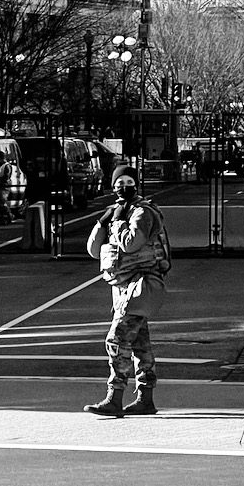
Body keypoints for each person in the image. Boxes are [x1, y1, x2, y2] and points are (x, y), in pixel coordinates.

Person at [84, 165, 172, 418]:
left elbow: (132, 243)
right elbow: (93, 249)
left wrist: (120, 221)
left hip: (141, 284)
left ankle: (115, 397)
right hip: (124, 286)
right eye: (119, 181)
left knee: (117, 339)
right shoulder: (117, 212)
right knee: (139, 344)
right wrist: (104, 221)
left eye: (128, 181)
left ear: (136, 184)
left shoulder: (141, 212)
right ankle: (146, 398)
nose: (123, 185)